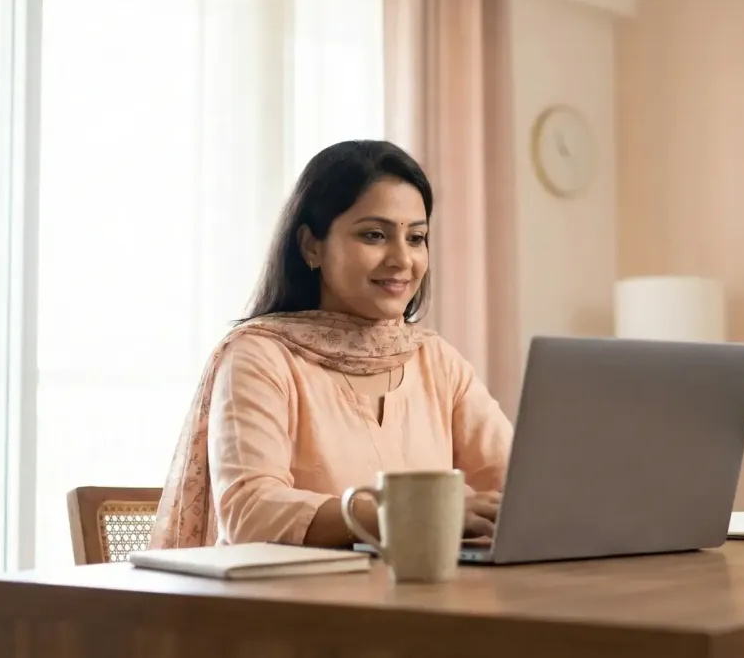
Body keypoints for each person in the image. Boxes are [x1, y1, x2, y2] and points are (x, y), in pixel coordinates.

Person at [149, 140, 512, 550]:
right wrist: (413, 516)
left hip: (425, 604)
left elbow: (519, 489)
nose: (402, 259)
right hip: (292, 606)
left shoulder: (436, 361)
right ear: (311, 246)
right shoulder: (260, 356)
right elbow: (251, 513)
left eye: (416, 237)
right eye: (374, 235)